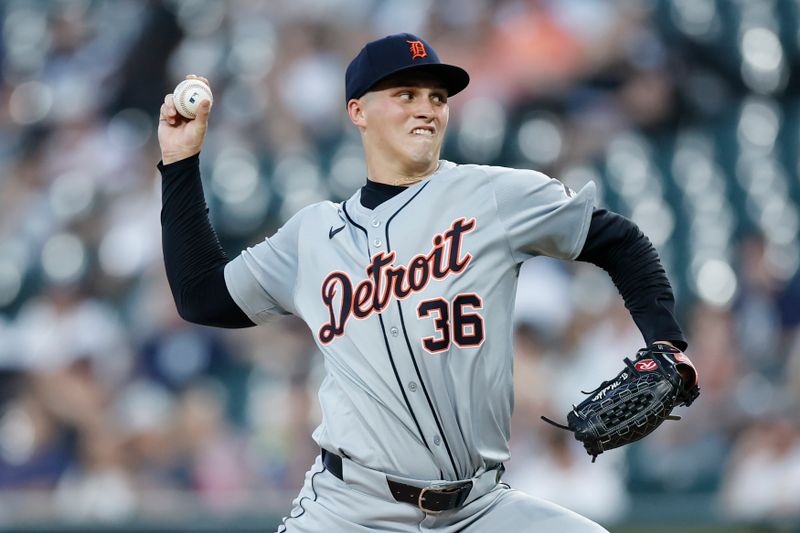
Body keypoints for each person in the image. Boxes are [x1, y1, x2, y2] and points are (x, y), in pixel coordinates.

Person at [157, 33, 689, 532]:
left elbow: (620, 241)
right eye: (406, 93)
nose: (426, 108)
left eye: (437, 97)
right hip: (350, 511)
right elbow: (202, 296)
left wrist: (666, 342)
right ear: (357, 112)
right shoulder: (311, 237)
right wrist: (181, 164)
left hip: (479, 508)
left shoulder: (495, 197)